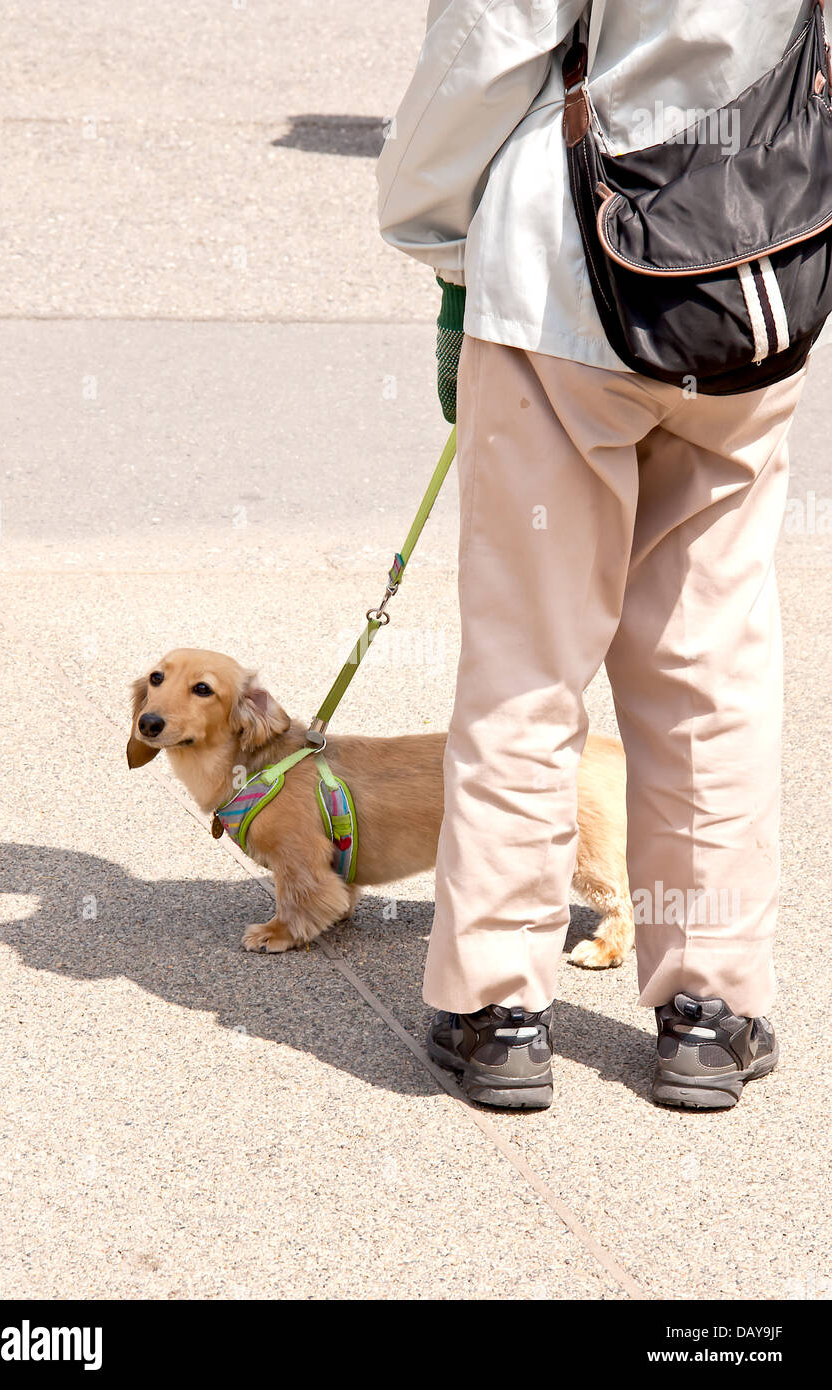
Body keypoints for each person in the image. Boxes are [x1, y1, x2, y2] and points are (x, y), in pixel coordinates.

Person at [376, 0, 827, 1110]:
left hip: (564, 279)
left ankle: (499, 1008)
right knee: (707, 664)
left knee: (526, 661)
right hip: (751, 274)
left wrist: (440, 242)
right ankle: (707, 1009)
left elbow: (489, 36)